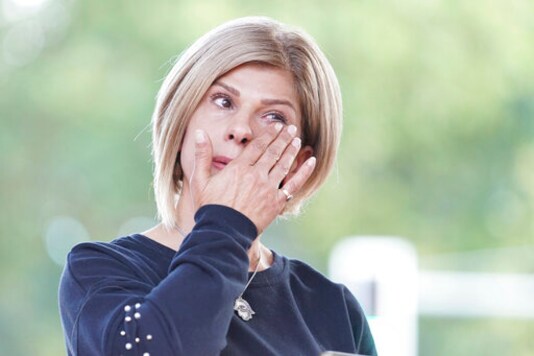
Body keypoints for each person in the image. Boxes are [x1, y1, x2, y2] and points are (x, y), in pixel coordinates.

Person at [58, 16, 377, 356]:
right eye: (223, 101)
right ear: (180, 118)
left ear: (298, 160)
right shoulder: (100, 272)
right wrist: (227, 223)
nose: (240, 129)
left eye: (274, 117)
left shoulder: (334, 307)